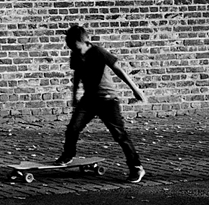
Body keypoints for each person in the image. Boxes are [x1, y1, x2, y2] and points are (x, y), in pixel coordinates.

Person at [55, 24, 148, 183]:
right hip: (89, 99)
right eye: (71, 48)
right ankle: (68, 155)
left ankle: (136, 167)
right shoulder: (75, 55)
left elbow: (119, 69)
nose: (74, 51)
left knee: (119, 135)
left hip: (107, 100)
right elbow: (77, 73)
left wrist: (135, 89)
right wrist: (74, 94)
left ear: (84, 41)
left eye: (76, 48)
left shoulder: (99, 52)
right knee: (73, 127)